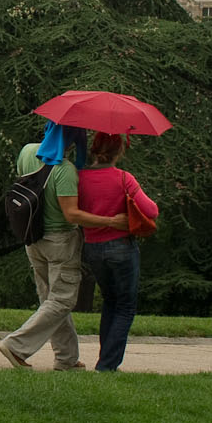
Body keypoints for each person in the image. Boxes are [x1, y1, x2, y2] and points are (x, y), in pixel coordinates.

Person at [0, 121, 126, 371]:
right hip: (59, 243)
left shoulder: (27, 152)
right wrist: (112, 221)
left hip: (33, 238)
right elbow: (72, 215)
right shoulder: (64, 170)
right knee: (62, 301)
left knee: (51, 302)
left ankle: (66, 359)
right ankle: (16, 346)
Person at [75, 131, 159, 371]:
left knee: (110, 302)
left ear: (94, 150)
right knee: (125, 306)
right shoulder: (124, 178)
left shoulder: (80, 178)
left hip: (92, 247)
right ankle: (108, 364)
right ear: (119, 151)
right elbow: (151, 211)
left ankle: (106, 359)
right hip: (122, 246)